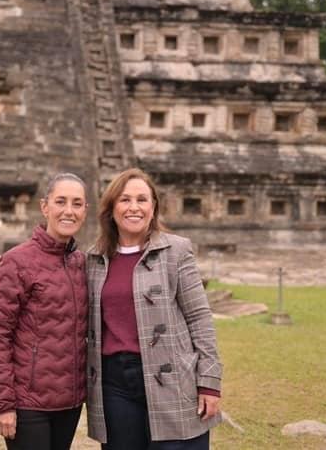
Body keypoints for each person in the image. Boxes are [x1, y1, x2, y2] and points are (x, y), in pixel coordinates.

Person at [86, 168, 223, 450]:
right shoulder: (94, 259)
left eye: (142, 199)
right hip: (115, 383)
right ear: (111, 208)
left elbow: (199, 317)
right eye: (124, 200)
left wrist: (209, 381)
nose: (133, 207)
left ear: (153, 207)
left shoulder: (176, 251)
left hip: (173, 376)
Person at [0, 172, 89, 450]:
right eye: (61, 202)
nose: (69, 211)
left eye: (77, 204)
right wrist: (3, 404)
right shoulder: (17, 261)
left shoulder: (83, 263)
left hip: (70, 401)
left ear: (85, 210)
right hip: (28, 403)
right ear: (45, 207)